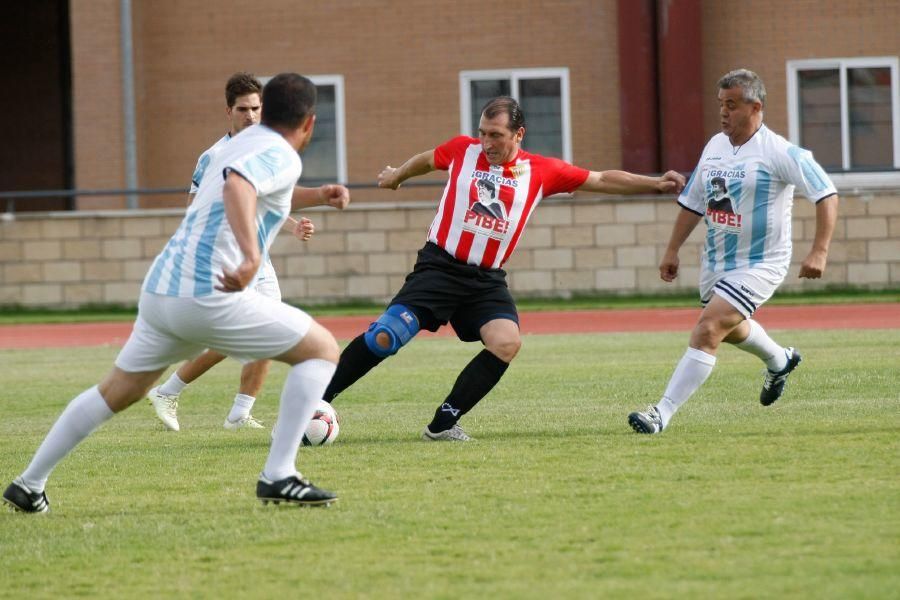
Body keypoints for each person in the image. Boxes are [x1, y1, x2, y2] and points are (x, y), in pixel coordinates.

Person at [3, 73, 342, 513]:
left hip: (162, 290)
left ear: (265, 111)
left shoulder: (239, 143)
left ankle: (29, 484)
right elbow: (241, 185)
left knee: (117, 391)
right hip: (207, 293)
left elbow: (257, 184)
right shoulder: (280, 152)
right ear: (310, 123)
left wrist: (319, 194)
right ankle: (279, 474)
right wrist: (249, 256)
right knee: (322, 349)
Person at [320, 95, 685, 441]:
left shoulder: (542, 170)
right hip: (438, 268)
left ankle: (443, 423)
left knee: (506, 342)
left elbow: (601, 179)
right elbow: (427, 159)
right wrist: (398, 176)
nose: (486, 142)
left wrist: (654, 183)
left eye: (495, 135)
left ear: (518, 134)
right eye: (482, 132)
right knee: (386, 336)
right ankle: (317, 399)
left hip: (485, 280)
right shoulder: (463, 150)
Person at [627, 69, 839, 435]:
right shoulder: (715, 146)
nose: (723, 112)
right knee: (729, 327)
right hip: (717, 261)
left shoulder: (780, 152)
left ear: (756, 106)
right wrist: (672, 249)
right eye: (721, 104)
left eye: (732, 105)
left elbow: (826, 193)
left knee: (709, 328)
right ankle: (780, 360)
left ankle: (660, 413)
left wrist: (819, 250)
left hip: (761, 263)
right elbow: (694, 201)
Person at [148, 72, 348, 432]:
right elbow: (198, 210)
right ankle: (168, 389)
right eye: (243, 109)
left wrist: (294, 224)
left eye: (257, 108)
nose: (251, 116)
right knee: (241, 332)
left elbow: (265, 202)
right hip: (227, 259)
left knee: (265, 332)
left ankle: (239, 413)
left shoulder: (268, 150)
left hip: (259, 258)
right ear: (229, 112)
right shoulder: (214, 156)